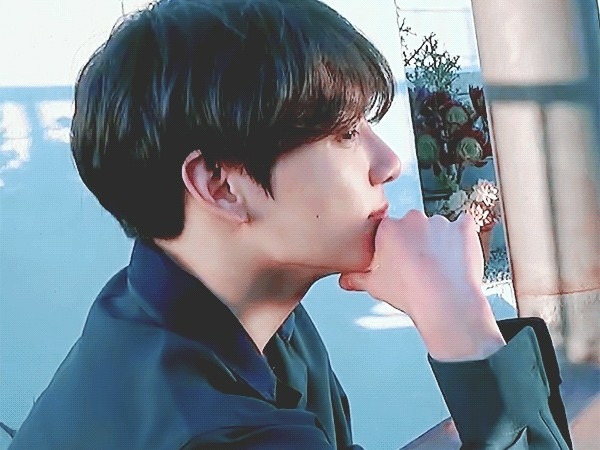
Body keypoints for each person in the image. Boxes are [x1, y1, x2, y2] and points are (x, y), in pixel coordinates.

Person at [10, 0, 572, 448]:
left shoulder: (237, 315)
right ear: (221, 186)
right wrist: (460, 322)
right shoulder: (212, 430)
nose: (388, 163)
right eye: (345, 134)